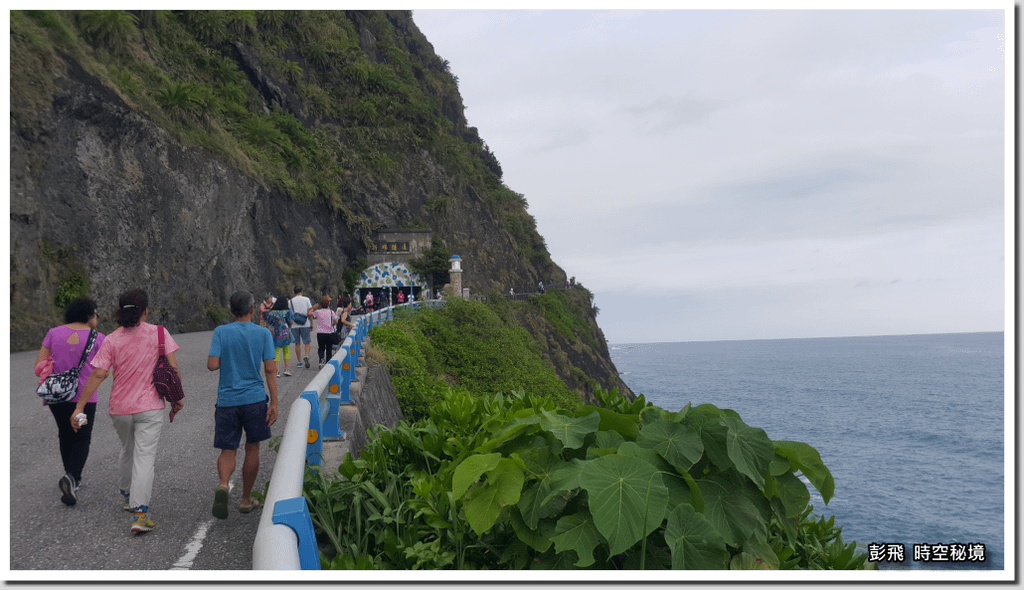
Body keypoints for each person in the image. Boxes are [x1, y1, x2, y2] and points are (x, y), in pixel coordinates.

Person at [72, 289, 184, 534]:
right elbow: (172, 368)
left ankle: (126, 496)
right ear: (145, 310)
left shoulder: (112, 339)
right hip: (151, 407)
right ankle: (140, 514)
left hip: (120, 409)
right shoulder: (159, 333)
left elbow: (100, 373)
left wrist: (79, 406)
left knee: (128, 448)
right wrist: (176, 399)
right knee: (144, 457)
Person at [207, 291, 278, 519]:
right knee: (252, 447)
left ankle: (224, 484)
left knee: (228, 449)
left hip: (227, 400)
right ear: (252, 309)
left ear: (231, 310)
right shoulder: (263, 333)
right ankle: (246, 500)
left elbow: (212, 365)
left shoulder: (221, 332)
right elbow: (269, 369)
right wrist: (274, 402)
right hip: (255, 400)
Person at [34, 298, 106, 506]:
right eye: (96, 314)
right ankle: (72, 477)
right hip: (84, 398)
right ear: (89, 315)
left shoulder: (53, 333)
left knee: (65, 434)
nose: (97, 318)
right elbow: (103, 371)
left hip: (57, 396)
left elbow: (39, 365)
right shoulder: (99, 338)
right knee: (82, 437)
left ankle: (69, 475)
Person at [265, 296, 293, 377]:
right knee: (286, 350)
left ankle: (277, 371)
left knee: (276, 350)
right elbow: (290, 322)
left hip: (275, 333)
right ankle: (287, 369)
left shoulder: (271, 312)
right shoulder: (288, 312)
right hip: (285, 332)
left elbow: (269, 322)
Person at [310, 296, 338, 369]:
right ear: (328, 304)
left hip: (320, 333)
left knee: (321, 348)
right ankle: (328, 363)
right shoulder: (331, 312)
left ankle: (321, 360)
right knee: (329, 349)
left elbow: (310, 314)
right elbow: (336, 321)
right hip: (329, 333)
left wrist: (313, 308)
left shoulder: (318, 312)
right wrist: (332, 324)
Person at [289, 286, 313, 369]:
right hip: (305, 323)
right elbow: (310, 312)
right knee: (307, 342)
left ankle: (299, 362)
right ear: (301, 292)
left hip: (294, 324)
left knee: (297, 343)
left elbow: (289, 313)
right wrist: (311, 323)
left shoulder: (290, 301)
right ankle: (306, 355)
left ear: (294, 293)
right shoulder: (306, 299)